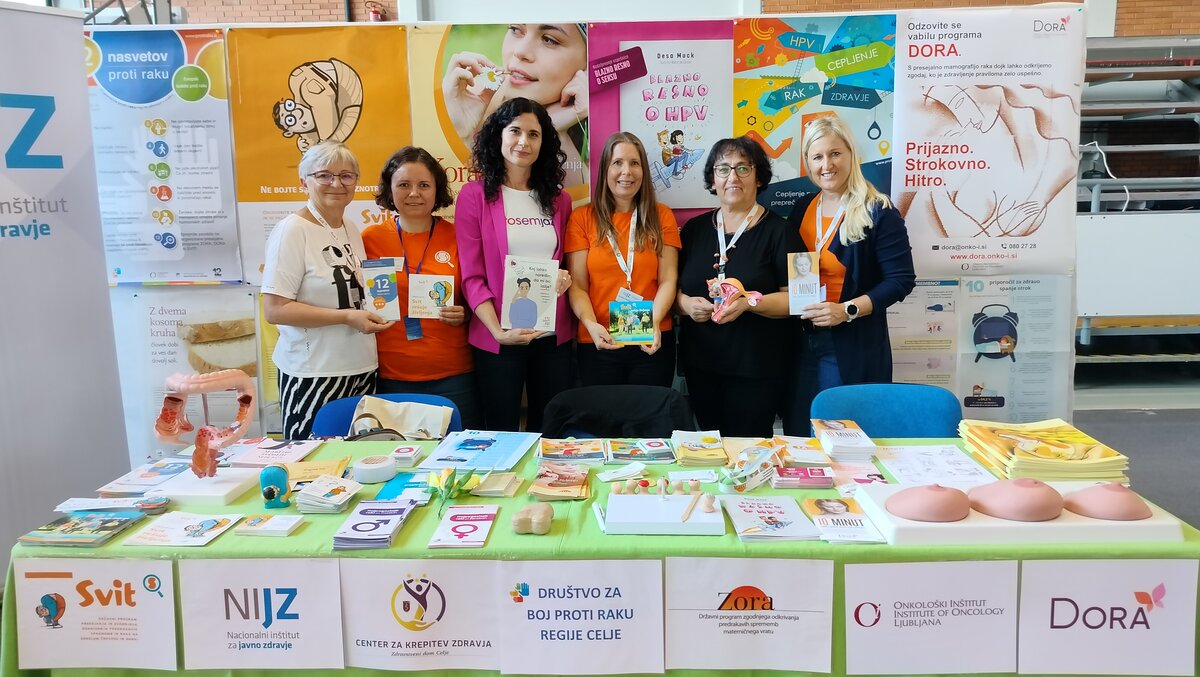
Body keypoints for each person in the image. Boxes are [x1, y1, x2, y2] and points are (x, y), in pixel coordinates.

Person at [783, 116, 916, 435]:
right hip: (801, 343)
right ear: (808, 163)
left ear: (851, 154)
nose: (826, 165)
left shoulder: (878, 210)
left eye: (835, 154)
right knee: (799, 430)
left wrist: (847, 310)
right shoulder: (803, 208)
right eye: (817, 157)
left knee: (842, 432)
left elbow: (901, 280)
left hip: (851, 343)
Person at [455, 97, 575, 432]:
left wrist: (564, 278)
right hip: (498, 335)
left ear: (544, 142)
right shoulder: (474, 196)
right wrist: (498, 331)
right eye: (515, 131)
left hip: (551, 334)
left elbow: (564, 263)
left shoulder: (559, 200)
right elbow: (472, 277)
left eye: (533, 134)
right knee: (500, 429)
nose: (524, 141)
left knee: (549, 429)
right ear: (499, 136)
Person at [675, 136, 804, 437]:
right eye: (723, 169)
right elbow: (672, 289)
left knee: (749, 451)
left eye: (743, 168)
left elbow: (800, 299)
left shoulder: (783, 231)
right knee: (709, 449)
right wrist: (685, 305)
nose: (733, 177)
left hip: (757, 369)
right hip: (702, 366)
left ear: (759, 178)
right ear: (713, 179)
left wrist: (748, 302)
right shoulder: (693, 230)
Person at [261, 141, 390, 439]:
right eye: (324, 175)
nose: (337, 183)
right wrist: (346, 317)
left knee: (360, 457)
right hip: (314, 374)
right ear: (304, 182)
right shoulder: (292, 230)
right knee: (314, 461)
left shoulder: (349, 227)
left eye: (346, 176)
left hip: (361, 367)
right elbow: (275, 309)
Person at [361, 146, 482, 429]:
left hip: (455, 375)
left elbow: (480, 294)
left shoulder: (459, 236)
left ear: (437, 190)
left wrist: (466, 313)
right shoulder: (368, 240)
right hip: (390, 376)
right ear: (389, 190)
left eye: (424, 185)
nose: (414, 193)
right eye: (404, 185)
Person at [565, 132, 681, 387]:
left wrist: (653, 323)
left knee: (649, 413)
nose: (626, 171)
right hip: (599, 340)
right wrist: (590, 325)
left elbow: (668, 280)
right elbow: (578, 286)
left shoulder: (662, 216)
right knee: (604, 413)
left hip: (651, 339)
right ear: (605, 169)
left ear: (644, 171)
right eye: (617, 162)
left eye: (634, 163)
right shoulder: (582, 218)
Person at [443, 23, 589, 188]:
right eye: (515, 29)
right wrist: (460, 134)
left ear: (590, 58)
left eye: (549, 39)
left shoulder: (601, 130)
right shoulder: (467, 96)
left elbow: (579, 200)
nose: (520, 51)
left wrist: (553, 130)